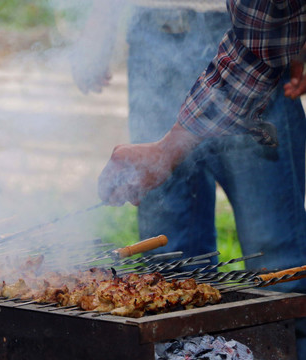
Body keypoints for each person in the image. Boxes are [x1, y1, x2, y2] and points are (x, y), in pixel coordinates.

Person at [72, 0, 306, 358]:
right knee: (168, 273)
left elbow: (260, 36)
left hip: (246, 38)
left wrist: (286, 36)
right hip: (154, 37)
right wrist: (101, 16)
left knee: (278, 265)